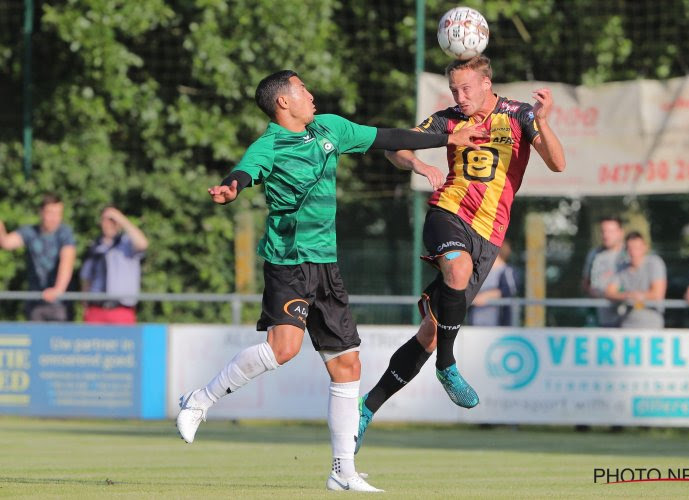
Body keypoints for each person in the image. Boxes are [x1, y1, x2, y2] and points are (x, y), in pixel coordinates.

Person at [175, 69, 488, 493]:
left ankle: (342, 470)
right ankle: (200, 400)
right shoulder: (269, 144)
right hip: (289, 262)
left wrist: (445, 139)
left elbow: (387, 137)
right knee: (283, 349)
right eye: (302, 89)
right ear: (283, 101)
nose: (311, 94)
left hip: (327, 265)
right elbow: (245, 171)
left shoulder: (331, 129)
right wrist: (233, 186)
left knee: (347, 365)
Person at [356, 55, 565, 453]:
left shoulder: (520, 115)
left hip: (489, 235)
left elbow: (558, 163)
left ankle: (365, 410)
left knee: (431, 332)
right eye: (454, 89)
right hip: (447, 212)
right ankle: (447, 367)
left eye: (466, 88)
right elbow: (395, 147)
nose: (460, 96)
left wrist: (545, 121)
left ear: (488, 83)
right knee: (457, 268)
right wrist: (417, 163)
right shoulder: (448, 118)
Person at [0, 193, 76, 321]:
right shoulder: (30, 232)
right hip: (36, 301)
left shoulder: (65, 233)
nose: (54, 218)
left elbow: (67, 262)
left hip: (60, 304)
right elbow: (6, 242)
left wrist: (58, 289)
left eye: (58, 214)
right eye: (50, 213)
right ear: (41, 212)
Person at [79, 206, 149, 324]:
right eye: (105, 220)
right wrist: (85, 305)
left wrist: (120, 218)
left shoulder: (127, 244)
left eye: (112, 220)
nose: (108, 224)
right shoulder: (95, 246)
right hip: (96, 309)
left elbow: (143, 244)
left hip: (121, 309)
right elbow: (87, 279)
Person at [604, 231, 667, 328]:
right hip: (627, 325)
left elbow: (658, 294)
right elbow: (609, 292)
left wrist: (639, 296)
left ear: (645, 248)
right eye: (630, 248)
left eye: (637, 248)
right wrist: (628, 295)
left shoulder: (654, 263)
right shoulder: (622, 267)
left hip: (651, 325)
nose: (633, 252)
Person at [582, 216, 627, 327]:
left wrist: (615, 294)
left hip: (625, 318)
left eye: (611, 231)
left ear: (621, 232)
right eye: (603, 231)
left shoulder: (629, 254)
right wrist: (593, 291)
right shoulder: (594, 254)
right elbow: (585, 282)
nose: (606, 235)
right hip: (598, 317)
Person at [468, 242, 520, 326]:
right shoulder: (479, 272)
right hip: (475, 323)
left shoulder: (507, 271)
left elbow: (509, 289)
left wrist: (486, 296)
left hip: (498, 326)